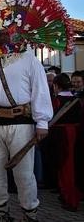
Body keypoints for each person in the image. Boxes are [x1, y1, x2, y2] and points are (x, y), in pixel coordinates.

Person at [0, 52, 53, 221]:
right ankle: (1, 213)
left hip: (22, 125)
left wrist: (42, 122)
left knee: (24, 173)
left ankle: (29, 213)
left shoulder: (30, 60)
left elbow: (40, 90)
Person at [50, 73, 82, 211]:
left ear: (56, 86)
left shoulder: (57, 100)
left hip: (62, 135)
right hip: (76, 133)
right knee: (73, 166)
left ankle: (70, 199)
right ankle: (69, 195)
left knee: (65, 167)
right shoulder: (77, 99)